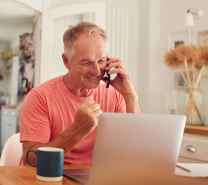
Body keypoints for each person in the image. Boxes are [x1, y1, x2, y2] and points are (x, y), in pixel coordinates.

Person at [20, 21, 140, 165]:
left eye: (101, 61)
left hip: (94, 177)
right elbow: (31, 161)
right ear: (66, 61)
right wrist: (77, 130)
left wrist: (130, 96)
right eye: (86, 62)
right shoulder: (39, 97)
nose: (96, 71)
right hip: (51, 176)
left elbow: (135, 151)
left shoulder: (115, 94)